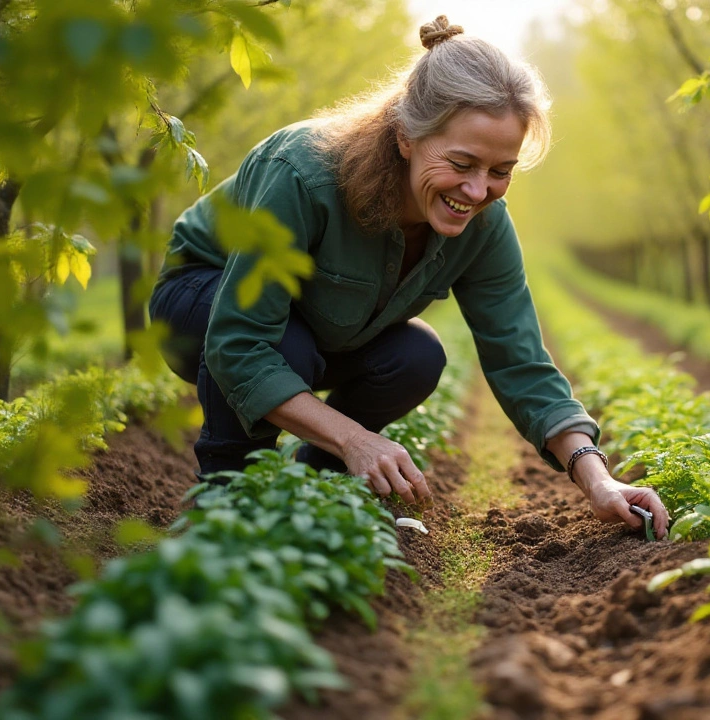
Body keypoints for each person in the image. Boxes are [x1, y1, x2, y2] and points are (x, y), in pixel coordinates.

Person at [148, 16, 668, 538]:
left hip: (312, 329)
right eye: (461, 162)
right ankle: (225, 499)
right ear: (405, 137)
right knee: (284, 342)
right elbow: (240, 342)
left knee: (415, 356)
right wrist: (356, 438)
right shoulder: (304, 172)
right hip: (203, 303)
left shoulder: (483, 225)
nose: (477, 190)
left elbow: (521, 360)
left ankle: (323, 490)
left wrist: (600, 480)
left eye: (500, 171)